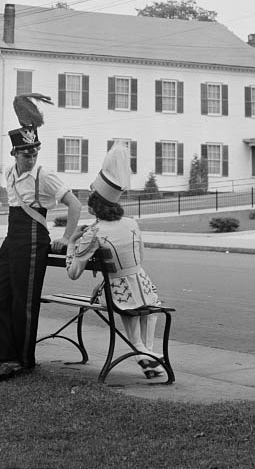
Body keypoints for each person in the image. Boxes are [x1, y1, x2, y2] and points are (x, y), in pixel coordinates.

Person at [0, 95, 82, 383]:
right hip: (12, 236)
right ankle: (3, 355)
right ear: (15, 153)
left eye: (34, 153)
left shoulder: (45, 175)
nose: (31, 158)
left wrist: (66, 238)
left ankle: (22, 360)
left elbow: (75, 205)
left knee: (24, 302)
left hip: (32, 238)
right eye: (26, 154)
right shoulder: (9, 172)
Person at [65, 142, 164, 378]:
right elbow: (141, 256)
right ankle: (147, 352)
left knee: (128, 304)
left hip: (116, 292)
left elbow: (73, 272)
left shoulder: (94, 232)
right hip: (144, 286)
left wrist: (71, 243)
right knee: (149, 307)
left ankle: (142, 352)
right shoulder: (132, 224)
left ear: (95, 205)